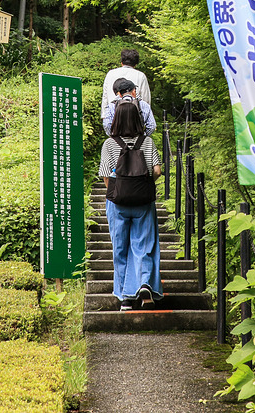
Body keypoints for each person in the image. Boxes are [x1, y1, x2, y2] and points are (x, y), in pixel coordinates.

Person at [99, 101, 163, 311]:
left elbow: (106, 175)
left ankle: (125, 298)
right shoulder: (147, 142)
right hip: (143, 201)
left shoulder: (109, 144)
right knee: (144, 245)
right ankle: (145, 285)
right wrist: (143, 184)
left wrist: (118, 190)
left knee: (120, 248)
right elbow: (157, 171)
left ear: (116, 119)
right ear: (138, 118)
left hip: (117, 203)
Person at [100, 48, 151, 114]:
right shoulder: (140, 76)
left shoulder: (110, 74)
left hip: (113, 115)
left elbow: (105, 98)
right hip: (134, 117)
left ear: (121, 62)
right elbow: (145, 99)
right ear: (135, 64)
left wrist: (104, 115)